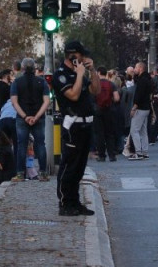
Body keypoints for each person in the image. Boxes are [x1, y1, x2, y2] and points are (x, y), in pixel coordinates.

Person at [52, 40, 101, 216]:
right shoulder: (61, 75)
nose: (84, 58)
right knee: (70, 165)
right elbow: (73, 95)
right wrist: (79, 74)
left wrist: (92, 71)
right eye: (82, 55)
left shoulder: (79, 73)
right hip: (72, 125)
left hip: (86, 124)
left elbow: (95, 91)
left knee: (80, 166)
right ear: (73, 55)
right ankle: (65, 202)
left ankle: (75, 201)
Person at [10, 58, 50, 180]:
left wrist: (25, 116)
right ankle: (43, 173)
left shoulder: (16, 82)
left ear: (22, 69)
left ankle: (20, 173)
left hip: (22, 118)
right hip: (39, 117)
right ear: (34, 69)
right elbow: (46, 101)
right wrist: (36, 116)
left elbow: (14, 102)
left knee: (21, 145)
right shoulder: (42, 82)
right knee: (40, 144)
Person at [94, 67, 120, 162]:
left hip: (97, 111)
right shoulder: (111, 84)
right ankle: (112, 155)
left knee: (99, 134)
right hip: (109, 110)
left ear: (98, 73)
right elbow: (117, 98)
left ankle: (101, 155)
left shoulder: (95, 84)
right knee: (109, 134)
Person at [128, 62, 152, 160]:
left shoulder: (142, 80)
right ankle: (145, 152)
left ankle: (138, 152)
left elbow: (139, 95)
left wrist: (134, 107)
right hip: (146, 107)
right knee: (143, 131)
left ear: (141, 68)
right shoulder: (148, 79)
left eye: (136, 67)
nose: (134, 69)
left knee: (134, 130)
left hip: (140, 108)